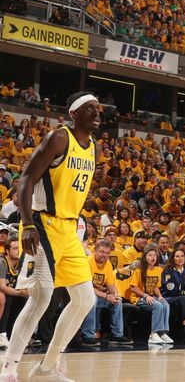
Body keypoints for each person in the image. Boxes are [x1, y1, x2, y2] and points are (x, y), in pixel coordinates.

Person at [1, 92, 101, 382]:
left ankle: (47, 367)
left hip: (69, 229)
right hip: (42, 224)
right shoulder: (59, 138)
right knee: (42, 296)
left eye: (98, 109)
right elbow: (26, 180)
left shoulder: (93, 147)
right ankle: (9, 366)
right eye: (90, 109)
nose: (97, 113)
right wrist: (28, 224)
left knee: (85, 299)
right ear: (74, 114)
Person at [79, 240, 132, 346]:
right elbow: (88, 287)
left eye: (107, 253)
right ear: (95, 250)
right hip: (83, 295)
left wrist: (115, 295)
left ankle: (117, 335)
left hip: (99, 295)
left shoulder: (108, 264)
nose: (104, 255)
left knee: (118, 301)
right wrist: (107, 296)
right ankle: (87, 335)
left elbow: (111, 285)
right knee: (92, 299)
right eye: (102, 252)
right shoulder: (87, 262)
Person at [128, 244, 173, 345]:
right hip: (138, 298)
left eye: (155, 255)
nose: (153, 257)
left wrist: (160, 296)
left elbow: (156, 286)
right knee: (157, 306)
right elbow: (133, 288)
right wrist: (145, 296)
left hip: (151, 296)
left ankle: (163, 332)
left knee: (165, 304)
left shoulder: (158, 270)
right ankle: (153, 334)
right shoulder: (139, 270)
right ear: (145, 257)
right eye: (150, 255)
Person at [0, 236, 26, 349]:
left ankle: (12, 334)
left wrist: (24, 293)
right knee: (5, 298)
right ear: (7, 251)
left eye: (19, 248)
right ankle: (2, 334)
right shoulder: (2, 263)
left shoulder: (22, 263)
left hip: (11, 292)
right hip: (3, 293)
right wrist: (21, 292)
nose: (18, 251)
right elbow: (3, 287)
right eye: (15, 248)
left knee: (23, 300)